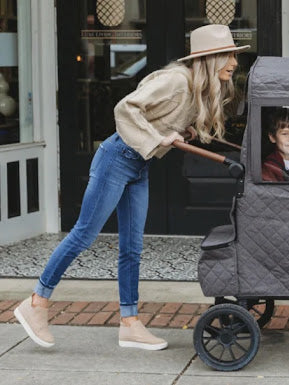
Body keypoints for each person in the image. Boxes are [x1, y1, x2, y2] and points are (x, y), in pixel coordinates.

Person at [14, 24, 249, 350]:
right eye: (227, 55)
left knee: (132, 247)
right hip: (117, 157)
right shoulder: (176, 81)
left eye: (234, 55)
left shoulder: (196, 88)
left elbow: (164, 120)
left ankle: (129, 323)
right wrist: (157, 138)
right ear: (207, 59)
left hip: (139, 164)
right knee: (83, 234)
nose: (234, 62)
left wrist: (185, 134)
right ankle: (37, 303)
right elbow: (126, 108)